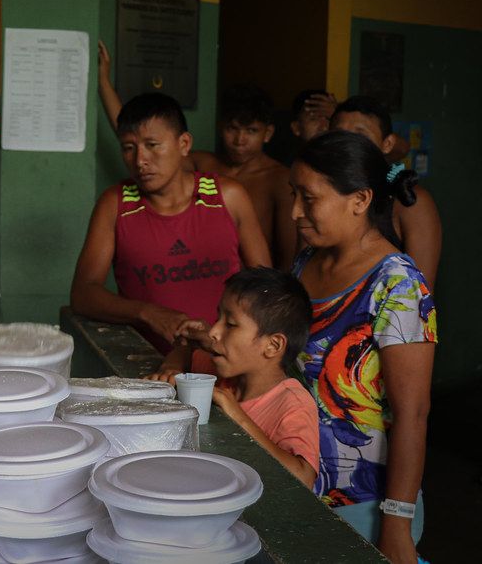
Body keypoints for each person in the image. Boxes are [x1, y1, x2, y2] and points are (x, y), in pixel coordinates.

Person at [291, 131, 436, 563]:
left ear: (359, 200)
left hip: (364, 503)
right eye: (292, 195)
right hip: (300, 483)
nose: (296, 212)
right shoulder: (305, 263)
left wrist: (396, 522)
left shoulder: (398, 284)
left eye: (309, 198)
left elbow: (413, 414)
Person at [70, 92, 272, 380]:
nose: (140, 160)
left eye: (153, 146)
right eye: (129, 148)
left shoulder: (228, 196)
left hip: (223, 366)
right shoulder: (115, 204)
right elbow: (83, 293)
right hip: (147, 367)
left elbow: (266, 289)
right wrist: (147, 313)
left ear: (184, 144)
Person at [97, 43, 294, 270]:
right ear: (221, 128)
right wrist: (103, 82)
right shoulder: (204, 164)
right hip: (194, 274)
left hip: (249, 290)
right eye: (232, 128)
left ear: (267, 133)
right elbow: (134, 135)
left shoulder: (279, 179)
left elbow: (288, 259)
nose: (240, 140)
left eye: (251, 131)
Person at [182, 268, 319, 489]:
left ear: (272, 346)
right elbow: (187, 348)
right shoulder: (222, 374)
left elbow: (303, 478)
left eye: (231, 324)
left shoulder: (293, 403)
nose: (214, 331)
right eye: (218, 318)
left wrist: (239, 417)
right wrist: (171, 365)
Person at [330, 96, 443, 288]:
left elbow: (420, 298)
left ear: (388, 144)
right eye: (338, 135)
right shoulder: (323, 196)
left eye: (361, 136)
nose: (348, 145)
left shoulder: (410, 202)